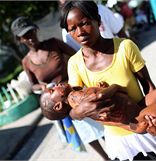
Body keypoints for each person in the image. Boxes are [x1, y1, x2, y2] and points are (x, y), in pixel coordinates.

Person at [59, 1, 156, 160]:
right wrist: (78, 111)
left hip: (145, 124)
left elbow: (149, 87)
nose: (80, 32)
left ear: (98, 20)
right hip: (119, 140)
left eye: (84, 24)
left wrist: (154, 115)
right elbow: (74, 109)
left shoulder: (125, 47)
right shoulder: (75, 64)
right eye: (72, 29)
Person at [10, 16, 109, 160]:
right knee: (85, 129)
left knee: (101, 120)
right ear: (20, 40)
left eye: (31, 32)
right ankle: (106, 158)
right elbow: (33, 85)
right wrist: (43, 87)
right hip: (62, 101)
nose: (30, 38)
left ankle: (115, 149)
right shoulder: (27, 62)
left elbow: (78, 56)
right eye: (25, 36)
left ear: (36, 31)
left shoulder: (53, 44)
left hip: (77, 90)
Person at [40, 82, 156, 153]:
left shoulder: (77, 95)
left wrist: (105, 88)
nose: (53, 86)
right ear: (58, 105)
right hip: (136, 118)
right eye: (51, 91)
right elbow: (101, 97)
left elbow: (107, 98)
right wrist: (112, 87)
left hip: (135, 107)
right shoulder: (78, 102)